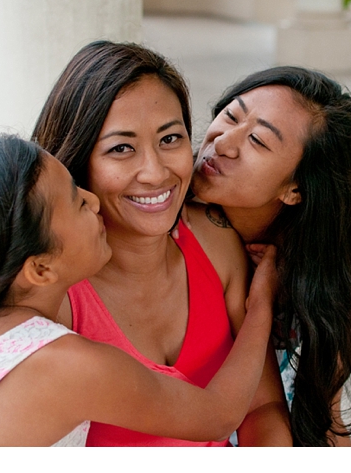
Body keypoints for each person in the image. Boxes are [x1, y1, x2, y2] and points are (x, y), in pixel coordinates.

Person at [0, 135, 278, 447]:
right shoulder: (68, 365)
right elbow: (216, 417)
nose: (95, 201)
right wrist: (261, 305)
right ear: (40, 268)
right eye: (78, 202)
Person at [32, 42, 293, 447]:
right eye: (121, 148)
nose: (155, 173)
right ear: (79, 159)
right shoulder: (53, 296)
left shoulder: (214, 240)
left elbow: (262, 407)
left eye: (170, 139)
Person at [191, 66, 351, 447]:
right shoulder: (171, 235)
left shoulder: (334, 282)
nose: (223, 142)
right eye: (231, 115)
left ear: (295, 189)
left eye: (257, 140)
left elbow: (325, 415)